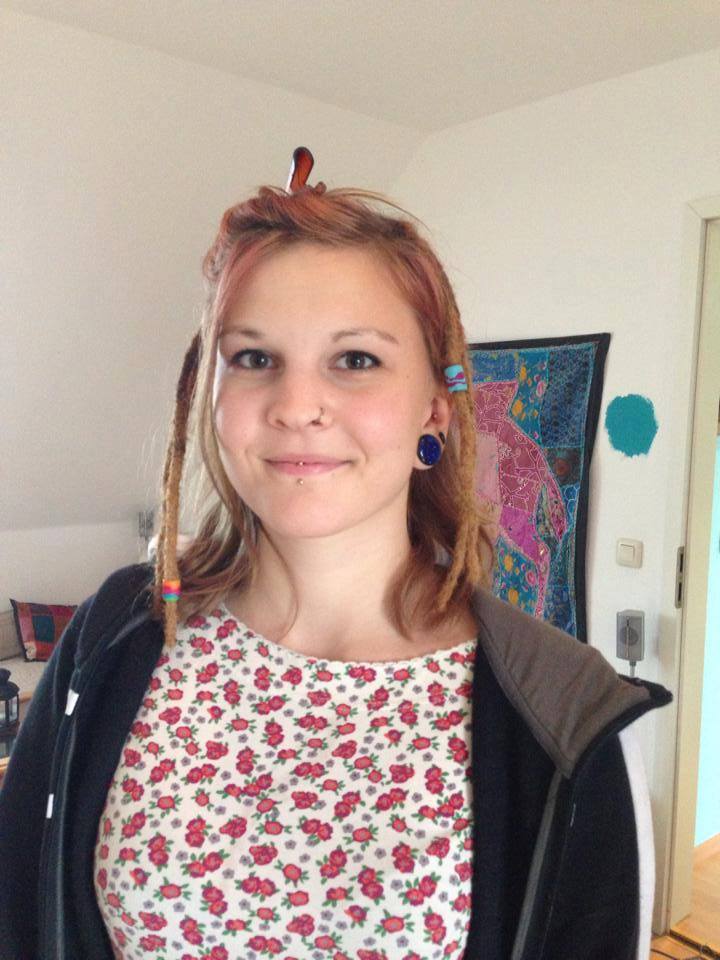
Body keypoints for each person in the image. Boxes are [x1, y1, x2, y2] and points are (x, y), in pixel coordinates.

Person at [0, 148, 672, 960]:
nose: (296, 406)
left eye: (356, 360)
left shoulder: (567, 716)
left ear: (435, 408)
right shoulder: (121, 628)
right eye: (255, 358)